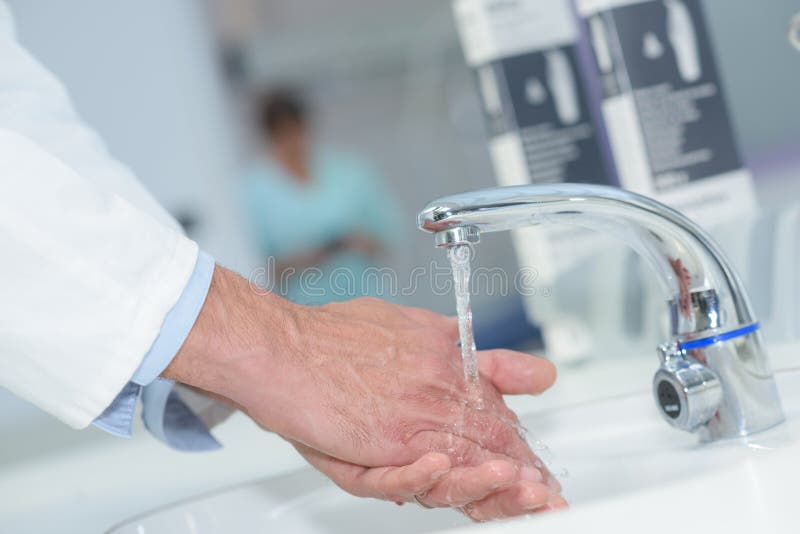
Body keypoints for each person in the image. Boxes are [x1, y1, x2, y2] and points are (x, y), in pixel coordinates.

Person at [0, 2, 565, 520]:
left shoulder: (348, 172)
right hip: (313, 325)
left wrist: (277, 370)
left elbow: (24, 118)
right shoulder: (259, 190)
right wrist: (282, 347)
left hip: (352, 326)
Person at [241, 90, 402, 305]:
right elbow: (261, 267)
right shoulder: (253, 190)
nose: (292, 142)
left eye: (295, 131)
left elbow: (388, 233)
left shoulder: (350, 169)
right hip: (309, 310)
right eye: (282, 134)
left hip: (369, 298)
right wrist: (313, 256)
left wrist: (356, 242)